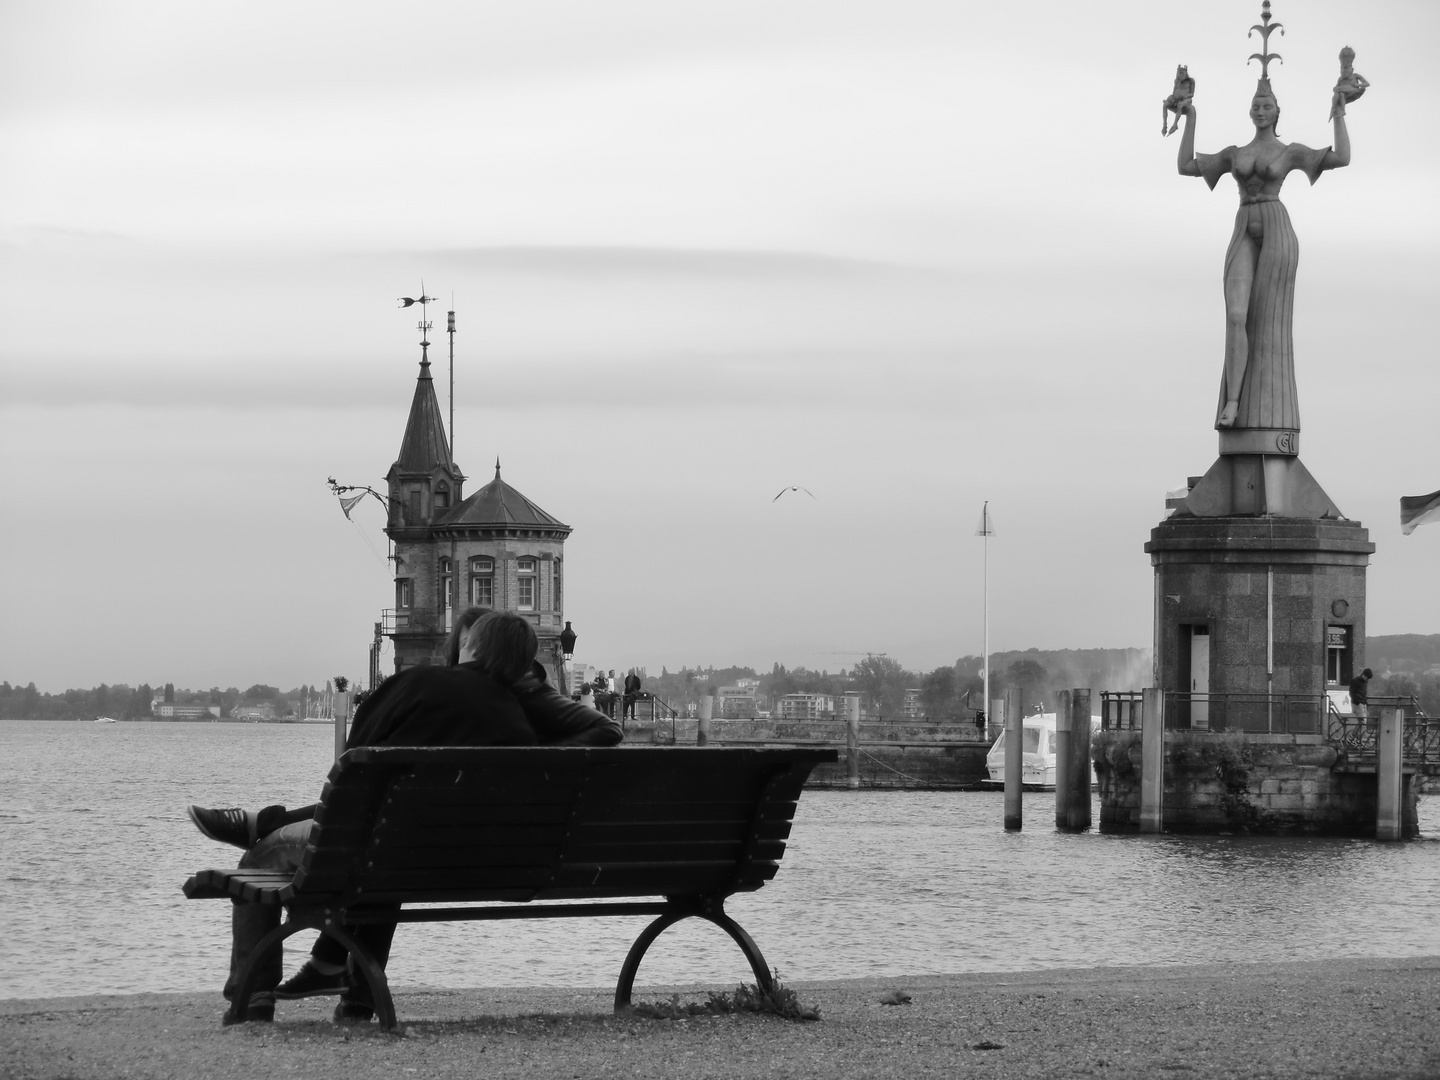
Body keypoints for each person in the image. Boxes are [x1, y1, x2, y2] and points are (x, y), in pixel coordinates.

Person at [189, 610, 621, 1024]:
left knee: (262, 857)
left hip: (385, 846)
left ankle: (253, 998)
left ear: (469, 643)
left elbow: (353, 760)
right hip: (463, 860)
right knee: (390, 856)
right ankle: (355, 998)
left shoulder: (416, 682)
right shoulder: (519, 726)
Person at [1175, 76, 1351, 431]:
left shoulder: (1290, 152)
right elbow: (1185, 166)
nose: (1260, 111)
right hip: (1244, 226)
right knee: (1236, 315)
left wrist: (1339, 114)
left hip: (1275, 229)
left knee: (1268, 321)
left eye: (1266, 106)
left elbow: (1342, 158)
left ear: (1277, 112)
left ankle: (1263, 407)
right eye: (1256, 106)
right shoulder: (1234, 154)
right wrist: (1189, 117)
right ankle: (1234, 401)